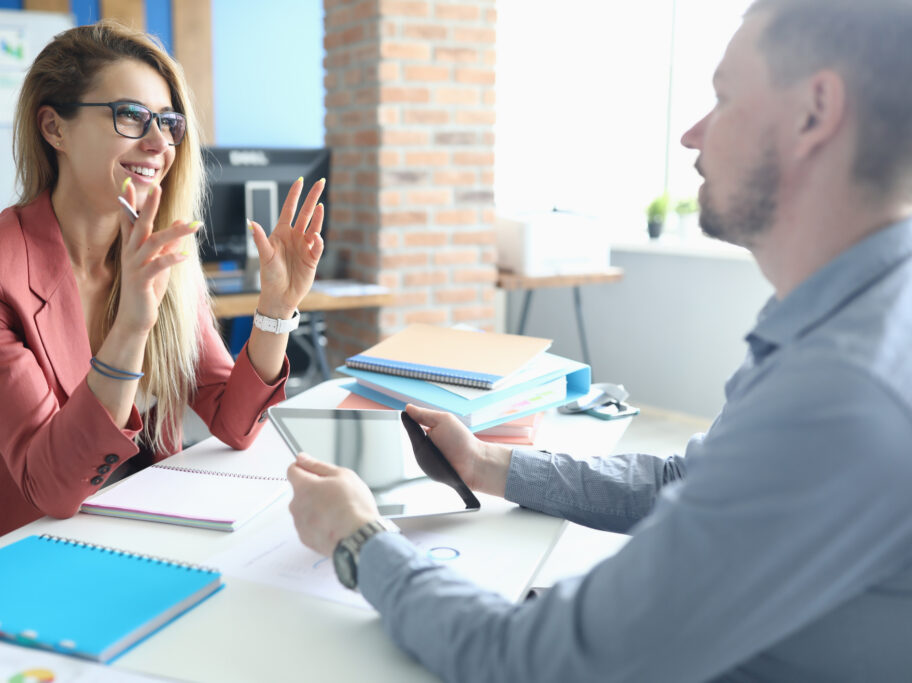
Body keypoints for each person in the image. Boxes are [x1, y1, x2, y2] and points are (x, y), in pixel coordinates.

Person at [287, 0, 912, 680]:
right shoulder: (849, 311)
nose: (692, 136)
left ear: (813, 113)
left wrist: (358, 539)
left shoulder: (841, 394)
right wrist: (488, 465)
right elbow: (688, 481)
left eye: (723, 97)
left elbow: (532, 662)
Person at [0, 20, 325, 569]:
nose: (159, 143)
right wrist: (130, 327)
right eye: (131, 116)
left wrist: (275, 310)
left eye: (169, 123)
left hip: (126, 532)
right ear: (54, 127)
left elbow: (233, 422)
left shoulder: (160, 254)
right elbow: (52, 486)